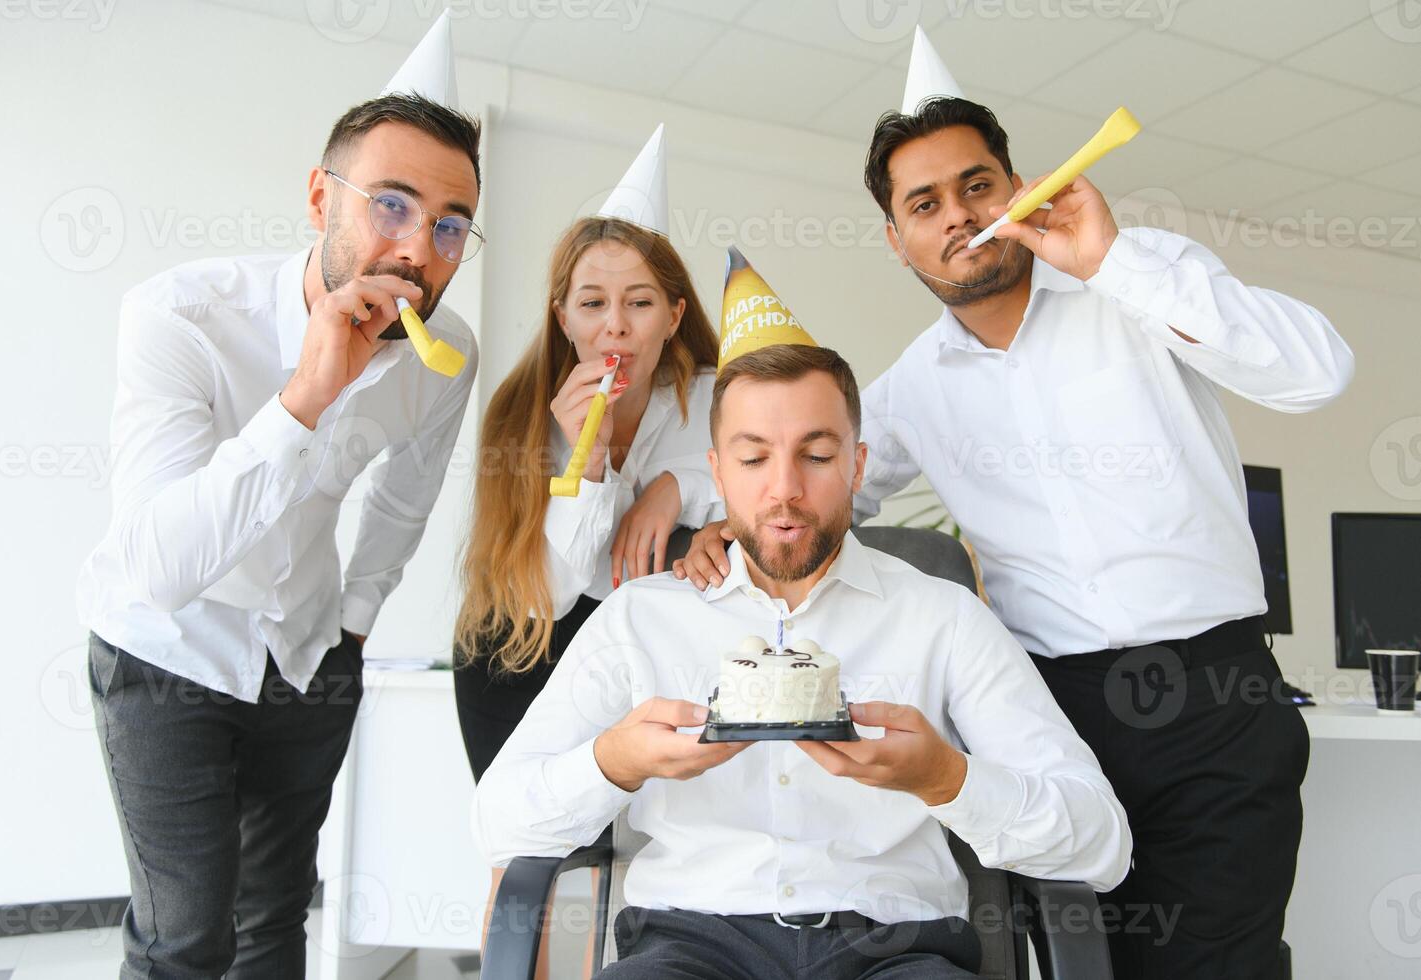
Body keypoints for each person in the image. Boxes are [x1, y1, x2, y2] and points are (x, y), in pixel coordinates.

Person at [675, 30, 1352, 980]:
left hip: (1216, 704)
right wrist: (717, 528)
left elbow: (1318, 373)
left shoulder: (1133, 278)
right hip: (1052, 718)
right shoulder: (911, 390)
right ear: (896, 238)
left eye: (977, 184)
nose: (959, 215)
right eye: (925, 203)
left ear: (1019, 186)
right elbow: (813, 497)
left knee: (1223, 965)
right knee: (1077, 964)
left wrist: (1112, 260)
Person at [473, 258, 1131, 980]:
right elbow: (496, 823)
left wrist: (948, 779)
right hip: (689, 948)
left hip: (896, 950)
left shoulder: (943, 619)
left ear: (856, 466)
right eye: (754, 459)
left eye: (816, 456)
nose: (784, 491)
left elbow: (1100, 844)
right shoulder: (642, 619)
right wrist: (613, 763)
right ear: (716, 474)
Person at [75, 18, 483, 976]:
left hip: (307, 657)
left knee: (273, 920)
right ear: (319, 199)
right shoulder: (179, 317)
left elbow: (404, 498)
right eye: (391, 204)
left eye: (450, 223)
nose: (418, 248)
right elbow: (160, 567)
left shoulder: (446, 354)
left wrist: (354, 624)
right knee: (185, 936)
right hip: (163, 651)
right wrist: (305, 397)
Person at [454, 126, 719, 783]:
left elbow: (780, 494)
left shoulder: (721, 402)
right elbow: (547, 594)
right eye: (593, 304)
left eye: (640, 303)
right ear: (564, 318)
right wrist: (589, 463)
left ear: (673, 314)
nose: (616, 327)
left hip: (663, 650)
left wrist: (677, 490)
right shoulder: (522, 423)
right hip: (530, 646)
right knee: (522, 841)